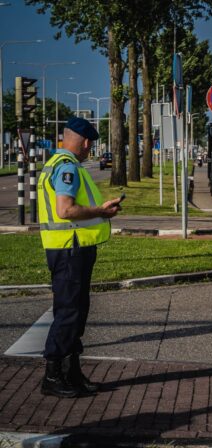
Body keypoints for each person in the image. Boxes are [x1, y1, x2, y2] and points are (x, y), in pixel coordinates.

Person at [36, 118, 121, 398]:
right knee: (69, 312)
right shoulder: (67, 166)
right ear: (85, 143)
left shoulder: (60, 163)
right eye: (91, 144)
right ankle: (53, 375)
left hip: (71, 248)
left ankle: (72, 373)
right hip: (69, 249)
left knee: (76, 311)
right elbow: (66, 210)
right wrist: (100, 211)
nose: (90, 148)